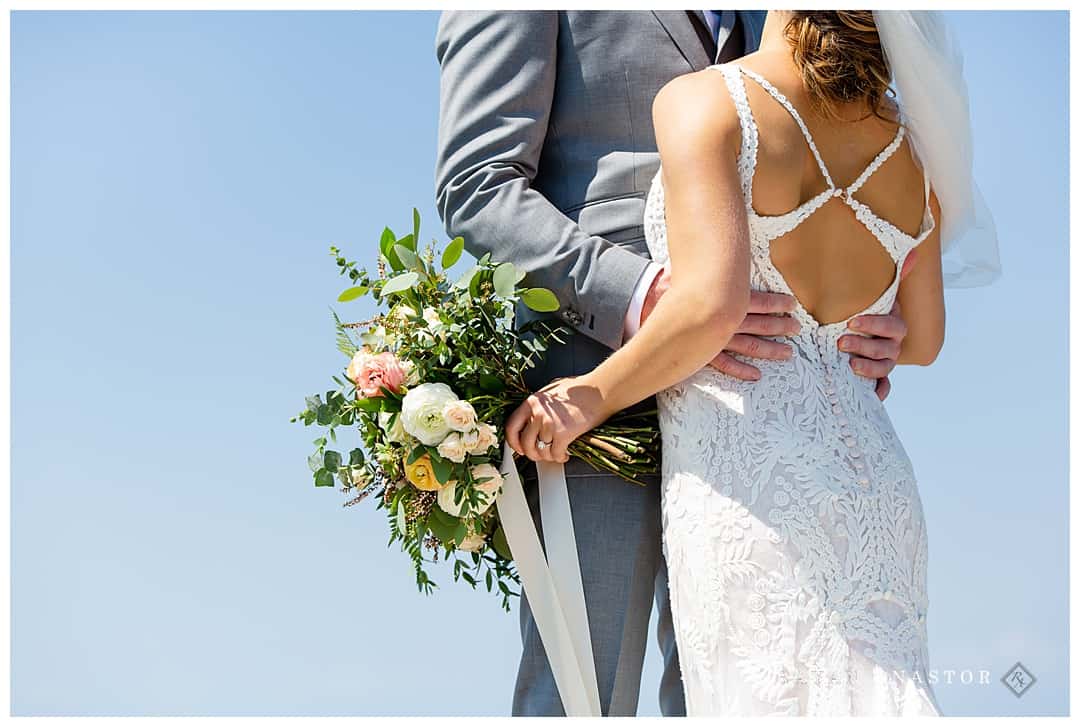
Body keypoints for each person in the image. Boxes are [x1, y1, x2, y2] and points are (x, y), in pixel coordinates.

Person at [505, 9, 998, 717]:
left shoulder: (707, 100)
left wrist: (589, 394)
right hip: (877, 493)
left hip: (753, 476)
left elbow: (711, 305)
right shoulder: (914, 150)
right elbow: (921, 339)